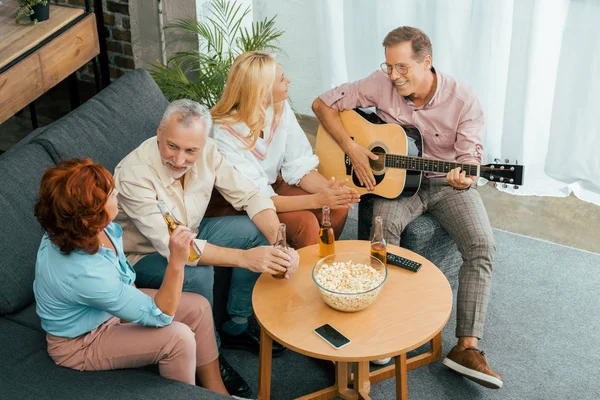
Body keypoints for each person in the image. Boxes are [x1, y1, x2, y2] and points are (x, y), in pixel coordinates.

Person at [312, 26, 502, 389]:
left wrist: (465, 177)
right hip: (399, 186)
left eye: (402, 68)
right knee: (383, 234)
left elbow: (469, 159)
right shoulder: (379, 83)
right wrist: (352, 148)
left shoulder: (464, 101)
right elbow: (322, 104)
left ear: (426, 62)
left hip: (446, 186)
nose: (394, 76)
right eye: (388, 67)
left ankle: (466, 347)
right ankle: (381, 329)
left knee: (483, 244)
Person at [113, 99, 299, 397]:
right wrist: (246, 259)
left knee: (255, 232)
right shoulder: (134, 173)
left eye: (190, 151)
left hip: (192, 233)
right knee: (199, 274)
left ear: (203, 144)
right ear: (159, 132)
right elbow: (177, 250)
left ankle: (237, 323)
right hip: (144, 256)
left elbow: (251, 196)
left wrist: (281, 242)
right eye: (172, 146)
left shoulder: (209, 152)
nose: (179, 159)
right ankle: (209, 355)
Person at [33, 159, 228, 394]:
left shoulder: (80, 228)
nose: (118, 195)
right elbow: (162, 316)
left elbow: (125, 282)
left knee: (198, 307)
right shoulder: (85, 274)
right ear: (89, 217)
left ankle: (218, 392)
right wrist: (177, 261)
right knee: (178, 338)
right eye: (112, 195)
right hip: (81, 342)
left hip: (106, 309)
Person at [207, 51, 359, 248]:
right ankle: (305, 274)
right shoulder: (224, 133)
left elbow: (298, 165)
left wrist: (333, 193)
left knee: (337, 209)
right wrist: (318, 199)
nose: (288, 80)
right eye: (281, 79)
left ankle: (324, 264)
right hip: (238, 202)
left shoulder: (279, 106)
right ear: (261, 90)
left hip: (273, 185)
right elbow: (258, 198)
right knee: (306, 223)